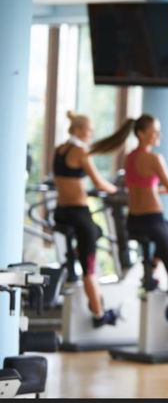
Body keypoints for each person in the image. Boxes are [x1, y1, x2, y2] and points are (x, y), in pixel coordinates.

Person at [90, 115, 168, 331]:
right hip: (152, 220)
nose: (159, 136)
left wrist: (165, 189)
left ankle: (152, 270)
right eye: (155, 132)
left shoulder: (130, 157)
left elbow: (145, 187)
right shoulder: (155, 159)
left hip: (134, 222)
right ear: (141, 134)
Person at [52, 111, 118, 328]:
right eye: (89, 130)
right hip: (78, 214)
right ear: (79, 130)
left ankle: (74, 256)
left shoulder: (60, 149)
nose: (92, 134)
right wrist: (116, 189)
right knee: (90, 268)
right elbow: (99, 183)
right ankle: (99, 315)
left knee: (97, 231)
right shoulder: (81, 151)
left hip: (61, 211)